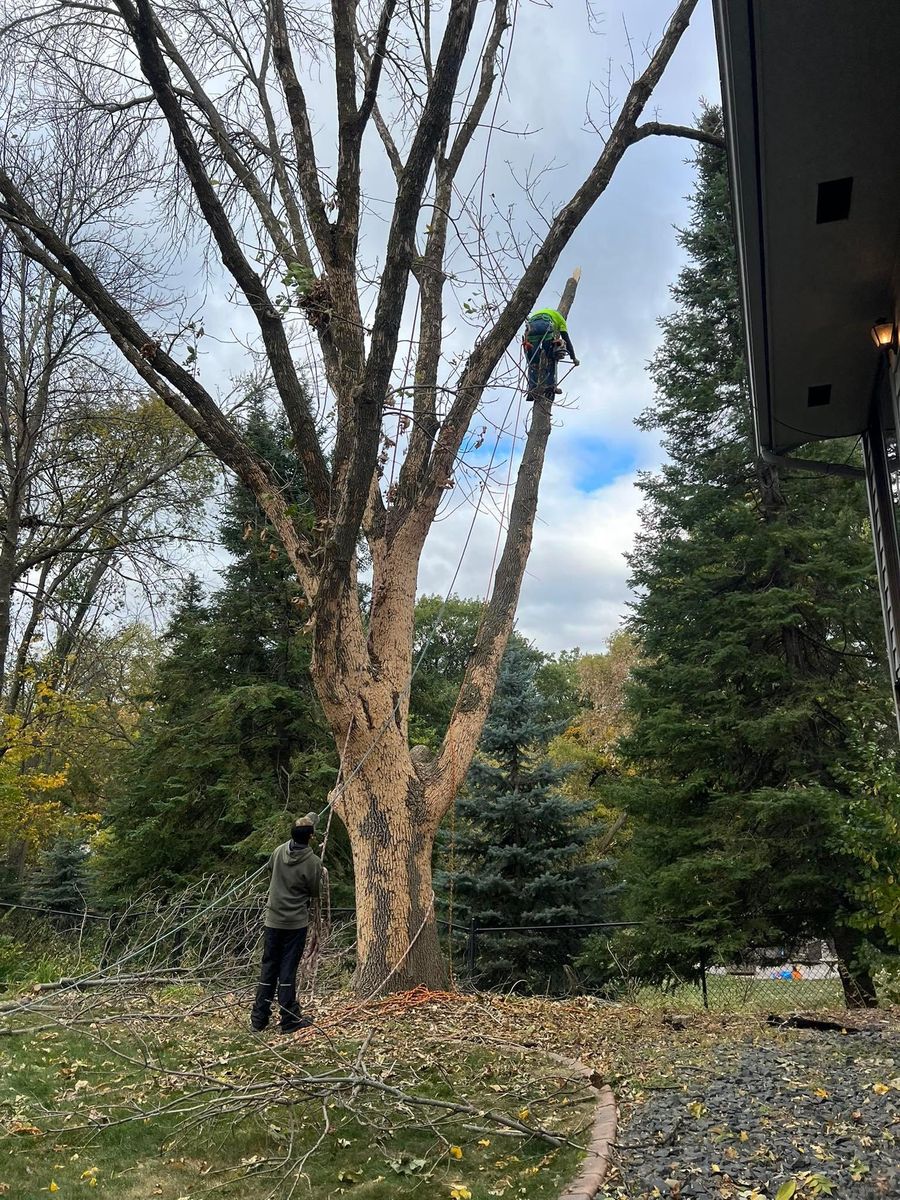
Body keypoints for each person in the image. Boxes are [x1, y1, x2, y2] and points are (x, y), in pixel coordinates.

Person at [250, 812, 322, 1034]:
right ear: (311, 837)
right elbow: (314, 892)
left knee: (269, 966)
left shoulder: (279, 851)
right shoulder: (313, 862)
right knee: (287, 970)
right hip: (294, 924)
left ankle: (258, 1019)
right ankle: (289, 1019)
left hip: (272, 920)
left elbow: (272, 870)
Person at [523, 306, 579, 401]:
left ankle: (532, 389)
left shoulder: (539, 312)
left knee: (533, 361)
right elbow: (566, 339)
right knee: (551, 357)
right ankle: (550, 386)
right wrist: (573, 358)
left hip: (531, 328)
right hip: (546, 326)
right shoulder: (560, 319)